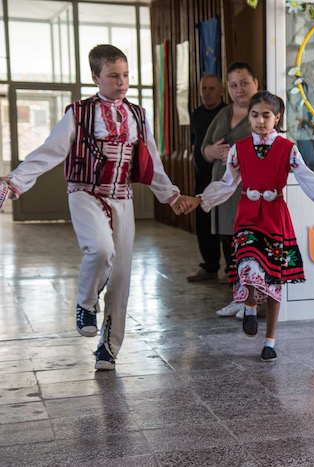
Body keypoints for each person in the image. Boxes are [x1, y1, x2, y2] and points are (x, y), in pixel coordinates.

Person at [1, 45, 183, 370]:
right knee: (100, 249)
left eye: (126, 75)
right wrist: (14, 179)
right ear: (95, 77)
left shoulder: (138, 115)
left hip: (123, 198)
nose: (121, 82)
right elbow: (50, 151)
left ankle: (109, 348)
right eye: (113, 75)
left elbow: (152, 162)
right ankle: (86, 304)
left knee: (123, 275)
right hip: (85, 193)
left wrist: (171, 195)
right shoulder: (79, 113)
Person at [180, 91, 314, 361]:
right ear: (249, 117)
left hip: (275, 217)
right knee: (247, 259)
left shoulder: (288, 149)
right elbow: (227, 184)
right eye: (255, 115)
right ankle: (249, 306)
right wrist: (201, 198)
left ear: (278, 118)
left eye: (266, 115)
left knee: (273, 280)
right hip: (248, 214)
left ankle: (269, 341)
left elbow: (309, 180)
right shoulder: (239, 149)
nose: (260, 120)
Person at [201, 62, 259, 317]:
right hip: (225, 192)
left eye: (244, 83)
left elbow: (271, 149)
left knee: (250, 246)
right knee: (230, 246)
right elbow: (204, 148)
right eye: (233, 85)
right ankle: (238, 297)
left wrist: (239, 157)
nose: (239, 90)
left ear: (256, 83)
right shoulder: (224, 113)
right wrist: (212, 151)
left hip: (249, 191)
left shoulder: (262, 114)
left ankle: (252, 300)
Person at [187, 74, 227, 282]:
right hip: (202, 176)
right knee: (203, 222)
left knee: (226, 223)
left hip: (225, 178)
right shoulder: (197, 114)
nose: (208, 93)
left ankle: (233, 270)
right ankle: (210, 266)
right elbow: (195, 143)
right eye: (205, 89)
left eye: (212, 88)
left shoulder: (227, 113)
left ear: (221, 91)